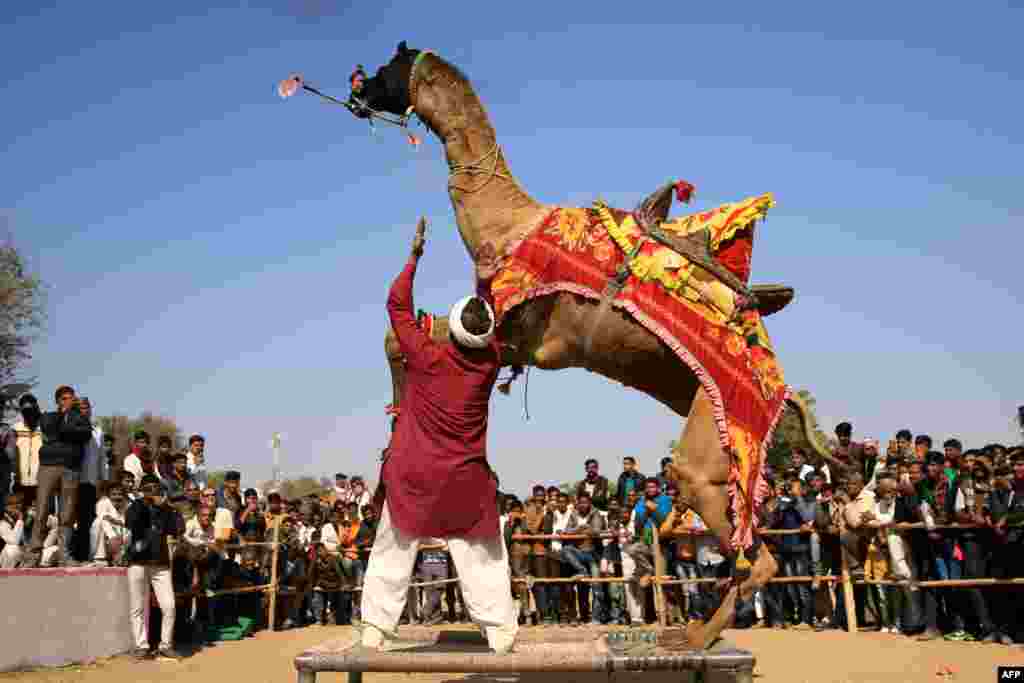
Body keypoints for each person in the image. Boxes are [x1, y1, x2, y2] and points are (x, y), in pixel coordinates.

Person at [360, 219, 517, 654]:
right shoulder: (488, 366)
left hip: (412, 475)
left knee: (392, 548)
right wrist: (485, 284)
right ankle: (500, 631)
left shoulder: (425, 357)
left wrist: (414, 258)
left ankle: (375, 629)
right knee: (483, 554)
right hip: (464, 480)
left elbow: (397, 307)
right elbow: (490, 326)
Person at [28, 386, 92, 567]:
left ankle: (65, 555)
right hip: (48, 466)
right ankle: (33, 554)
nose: (68, 401)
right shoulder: (49, 416)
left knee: (67, 513)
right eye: (64, 398)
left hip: (71, 467)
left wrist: (68, 422)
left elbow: (84, 435)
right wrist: (65, 422)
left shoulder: (81, 418)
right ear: (57, 401)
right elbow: (51, 430)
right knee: (41, 511)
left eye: (71, 398)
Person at [125, 474, 184, 660]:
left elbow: (176, 528)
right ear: (142, 489)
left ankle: (165, 645)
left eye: (155, 487)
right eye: (148, 487)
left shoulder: (165, 509)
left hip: (160, 563)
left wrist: (164, 506)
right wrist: (144, 501)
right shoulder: (135, 506)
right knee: (137, 608)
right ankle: (142, 646)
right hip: (138, 561)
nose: (153, 491)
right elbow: (132, 523)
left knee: (169, 606)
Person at [75, 397, 106, 561]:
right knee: (68, 518)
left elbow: (102, 457)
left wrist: (103, 479)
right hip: (72, 480)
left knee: (87, 519)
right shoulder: (69, 427)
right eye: (81, 407)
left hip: (90, 481)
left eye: (87, 407)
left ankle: (86, 554)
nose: (84, 410)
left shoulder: (97, 430)